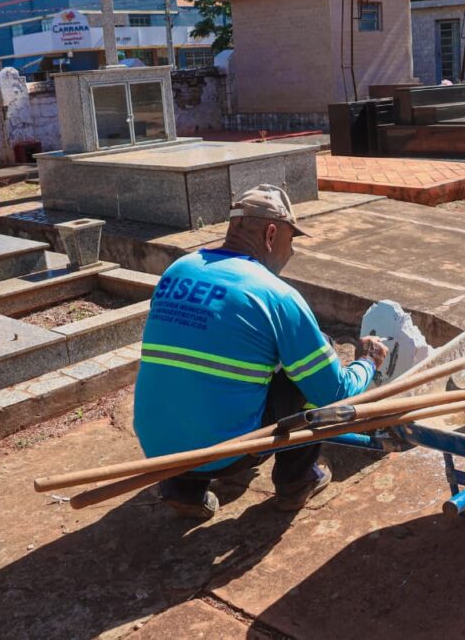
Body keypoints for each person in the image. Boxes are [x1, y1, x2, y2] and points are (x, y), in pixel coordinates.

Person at [133, 184, 389, 519]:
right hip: (228, 454)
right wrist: (366, 363)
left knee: (195, 373)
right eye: (291, 240)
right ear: (271, 234)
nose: (291, 252)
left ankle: (183, 488)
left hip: (157, 450)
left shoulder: (178, 270)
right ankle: (297, 482)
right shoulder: (275, 294)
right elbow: (334, 392)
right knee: (310, 374)